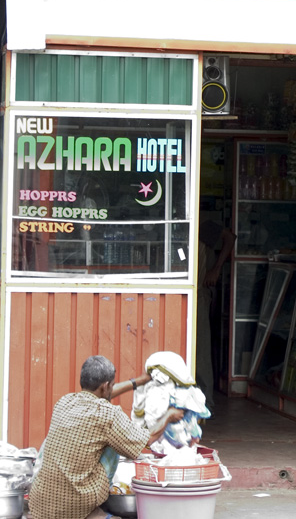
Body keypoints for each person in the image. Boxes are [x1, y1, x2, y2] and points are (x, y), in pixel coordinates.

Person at [29, 355, 184, 519]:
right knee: (115, 440)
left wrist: (137, 382)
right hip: (74, 506)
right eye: (112, 385)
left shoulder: (64, 402)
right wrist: (168, 416)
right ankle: (93, 508)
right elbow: (146, 440)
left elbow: (101, 394)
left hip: (40, 503)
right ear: (105, 386)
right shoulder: (109, 415)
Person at [196, 220, 237, 412]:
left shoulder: (200, 222)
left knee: (201, 347)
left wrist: (217, 268)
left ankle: (206, 400)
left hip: (199, 292)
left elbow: (230, 237)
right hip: (185, 292)